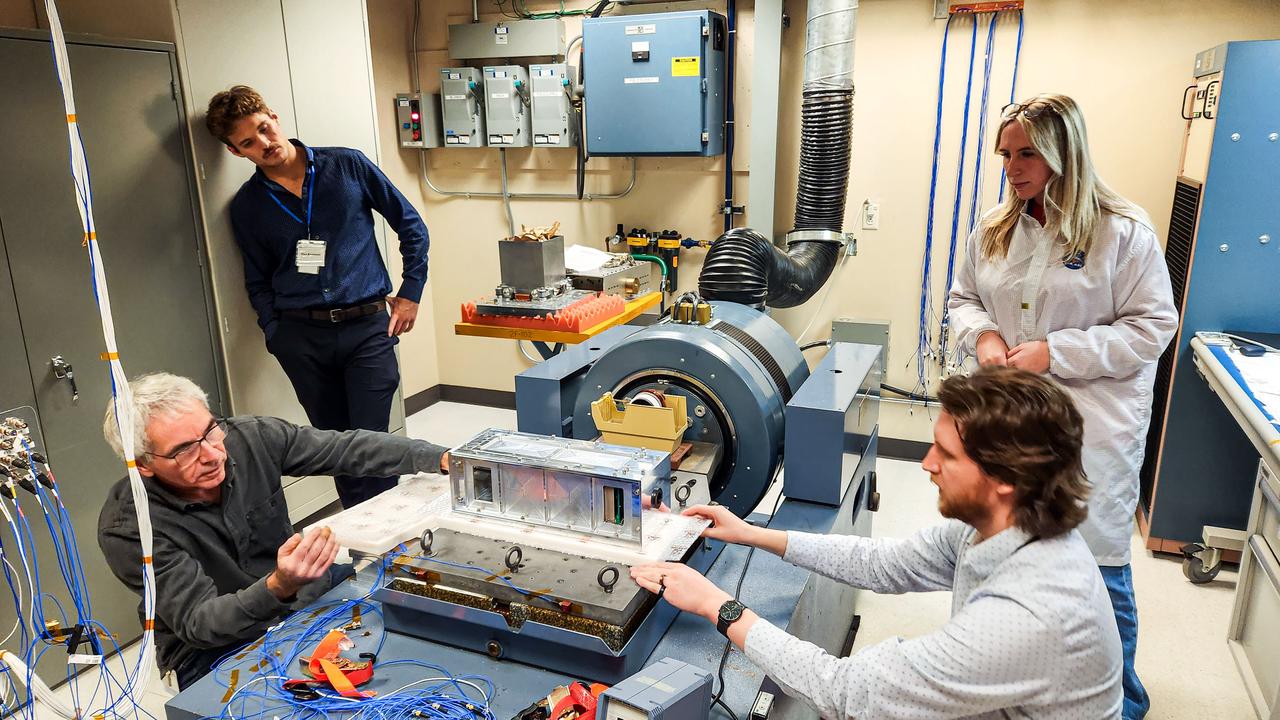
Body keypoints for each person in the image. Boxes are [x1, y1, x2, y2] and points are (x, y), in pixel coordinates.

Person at [632, 366, 1122, 719]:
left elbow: (847, 692)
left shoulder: (1027, 616)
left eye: (946, 455)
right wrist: (753, 533)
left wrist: (719, 606)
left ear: (1005, 478)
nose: (926, 464)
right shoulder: (1006, 525)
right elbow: (884, 563)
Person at [946, 93, 1178, 719]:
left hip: (1091, 430)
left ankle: (1119, 701)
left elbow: (1154, 327)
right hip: (1010, 427)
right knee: (1006, 548)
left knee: (1098, 566)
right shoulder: (995, 229)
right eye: (1005, 154)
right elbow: (963, 298)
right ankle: (1012, 682)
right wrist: (984, 336)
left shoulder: (1123, 234)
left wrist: (1056, 353)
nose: (1013, 168)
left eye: (1027, 154)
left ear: (1064, 152)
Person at [97, 373, 449, 690]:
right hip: (213, 649)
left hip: (301, 595)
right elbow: (200, 623)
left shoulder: (250, 438)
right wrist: (278, 586)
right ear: (143, 464)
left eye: (209, 431)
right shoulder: (129, 527)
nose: (211, 455)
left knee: (419, 629)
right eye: (184, 450)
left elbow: (345, 449)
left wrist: (443, 458)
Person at [205, 85, 432, 508]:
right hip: (301, 337)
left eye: (264, 129)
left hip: (366, 327)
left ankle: (388, 541)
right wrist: (276, 333)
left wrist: (411, 292)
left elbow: (412, 227)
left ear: (274, 116)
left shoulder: (346, 166)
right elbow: (257, 279)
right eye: (248, 143)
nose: (265, 144)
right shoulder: (248, 206)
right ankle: (361, 543)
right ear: (237, 153)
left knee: (372, 443)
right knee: (334, 450)